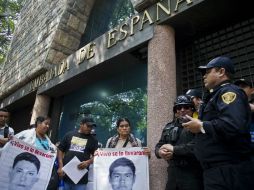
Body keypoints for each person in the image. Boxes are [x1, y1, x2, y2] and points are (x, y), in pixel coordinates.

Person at [182, 56, 254, 190]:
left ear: (221, 72)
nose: (204, 76)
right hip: (215, 171)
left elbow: (233, 125)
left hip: (229, 171)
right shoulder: (214, 96)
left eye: (208, 71)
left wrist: (201, 125)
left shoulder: (229, 92)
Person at [155, 95, 203, 190]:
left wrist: (174, 150)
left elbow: (197, 147)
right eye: (179, 107)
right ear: (175, 111)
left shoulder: (198, 125)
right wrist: (160, 152)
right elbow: (159, 145)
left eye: (186, 107)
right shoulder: (168, 126)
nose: (182, 110)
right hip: (173, 176)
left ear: (192, 109)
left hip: (192, 174)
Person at [15, 116, 57, 190]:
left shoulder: (49, 142)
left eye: (49, 125)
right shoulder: (25, 134)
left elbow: (53, 154)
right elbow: (13, 144)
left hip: (41, 174)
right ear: (38, 123)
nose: (48, 126)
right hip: (26, 171)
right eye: (46, 124)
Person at [57, 117, 99, 190]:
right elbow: (60, 149)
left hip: (81, 180)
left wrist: (88, 162)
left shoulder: (93, 140)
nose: (89, 128)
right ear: (81, 124)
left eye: (91, 127)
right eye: (88, 126)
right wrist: (60, 166)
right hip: (65, 177)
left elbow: (97, 156)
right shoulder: (69, 135)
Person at [234, 78, 254, 156]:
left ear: (252, 90)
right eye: (237, 87)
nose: (239, 89)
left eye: (243, 86)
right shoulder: (231, 105)